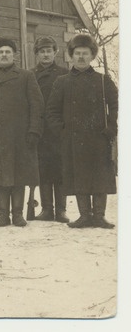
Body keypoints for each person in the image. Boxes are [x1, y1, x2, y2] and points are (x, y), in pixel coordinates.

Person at [46, 34, 118, 229]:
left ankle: (99, 216)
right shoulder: (62, 81)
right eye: (77, 53)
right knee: (79, 175)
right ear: (71, 55)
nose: (81, 57)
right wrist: (61, 131)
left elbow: (115, 105)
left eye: (85, 54)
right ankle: (84, 215)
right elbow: (51, 110)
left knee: (99, 175)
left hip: (99, 137)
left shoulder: (103, 81)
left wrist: (111, 127)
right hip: (73, 139)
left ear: (92, 55)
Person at [0, 38, 44, 227]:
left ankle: (17, 214)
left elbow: (37, 106)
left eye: (8, 52)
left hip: (20, 136)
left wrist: (34, 130)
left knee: (18, 175)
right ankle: (3, 214)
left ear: (14, 55)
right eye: (0, 52)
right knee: (0, 175)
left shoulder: (26, 76)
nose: (4, 55)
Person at [32, 36, 70, 223]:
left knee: (60, 168)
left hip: (59, 129)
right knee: (43, 169)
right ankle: (47, 209)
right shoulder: (30, 75)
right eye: (41, 51)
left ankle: (61, 210)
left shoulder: (64, 74)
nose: (45, 55)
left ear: (55, 52)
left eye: (49, 51)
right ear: (36, 55)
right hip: (40, 129)